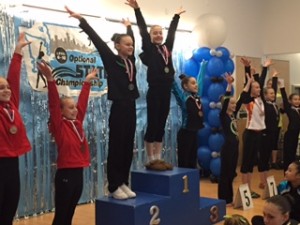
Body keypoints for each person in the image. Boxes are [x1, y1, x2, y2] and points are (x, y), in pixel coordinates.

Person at [65, 6, 139, 200]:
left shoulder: (131, 61)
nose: (131, 47)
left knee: (127, 146)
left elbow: (133, 43)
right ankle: (114, 185)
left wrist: (130, 27)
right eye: (127, 44)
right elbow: (98, 41)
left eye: (132, 44)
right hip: (119, 107)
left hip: (131, 106)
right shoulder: (112, 60)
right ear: (117, 46)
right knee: (116, 146)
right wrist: (82, 20)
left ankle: (123, 181)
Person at [126, 0, 185, 169]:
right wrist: (137, 10)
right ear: (151, 36)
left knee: (161, 122)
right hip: (155, 91)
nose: (158, 35)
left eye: (160, 33)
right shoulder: (149, 48)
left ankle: (158, 157)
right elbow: (142, 30)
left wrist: (175, 17)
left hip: (166, 91)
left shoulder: (167, 48)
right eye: (155, 33)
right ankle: (149, 158)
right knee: (152, 123)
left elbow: (172, 33)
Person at [37, 61, 98, 225]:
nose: (75, 110)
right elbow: (53, 103)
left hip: (79, 172)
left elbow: (83, 103)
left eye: (74, 107)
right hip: (66, 174)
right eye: (70, 108)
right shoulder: (59, 125)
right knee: (62, 215)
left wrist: (87, 82)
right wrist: (50, 79)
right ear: (61, 111)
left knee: (70, 213)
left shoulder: (77, 121)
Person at [0, 32, 31, 225]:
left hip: (12, 161)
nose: (6, 90)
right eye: (1, 88)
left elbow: (14, 77)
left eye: (6, 87)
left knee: (11, 204)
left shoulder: (12, 104)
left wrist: (18, 52)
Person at [239, 58, 272, 199]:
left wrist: (265, 68)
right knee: (246, 162)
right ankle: (245, 189)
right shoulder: (248, 100)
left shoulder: (261, 100)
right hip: (250, 134)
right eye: (256, 87)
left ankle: (250, 189)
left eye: (259, 87)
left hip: (259, 134)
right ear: (251, 89)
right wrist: (247, 69)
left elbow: (262, 80)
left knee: (253, 162)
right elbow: (247, 85)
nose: (259, 89)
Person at [218, 73, 252, 206]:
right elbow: (226, 100)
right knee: (225, 173)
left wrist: (248, 82)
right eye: (231, 104)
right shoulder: (223, 116)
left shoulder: (233, 114)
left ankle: (230, 199)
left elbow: (242, 97)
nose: (234, 105)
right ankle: (223, 199)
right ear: (225, 105)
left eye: (234, 104)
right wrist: (229, 85)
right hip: (227, 147)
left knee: (232, 173)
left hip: (234, 147)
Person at [171, 70, 205, 169]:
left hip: (194, 133)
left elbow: (201, 81)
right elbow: (176, 89)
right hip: (185, 133)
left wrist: (203, 65)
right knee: (184, 162)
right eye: (193, 83)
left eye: (196, 83)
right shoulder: (184, 98)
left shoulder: (197, 97)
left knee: (192, 161)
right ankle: (182, 183)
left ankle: (191, 183)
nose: (196, 85)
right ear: (186, 86)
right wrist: (172, 78)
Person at [258, 70, 280, 189]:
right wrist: (264, 71)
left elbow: (275, 90)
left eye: (273, 93)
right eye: (270, 93)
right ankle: (262, 181)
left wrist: (274, 78)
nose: (273, 95)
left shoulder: (273, 104)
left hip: (272, 133)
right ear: (265, 95)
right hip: (265, 134)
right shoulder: (264, 104)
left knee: (267, 159)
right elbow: (261, 88)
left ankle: (266, 179)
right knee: (263, 157)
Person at [280, 79, 300, 171]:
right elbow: (284, 98)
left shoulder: (299, 110)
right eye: (295, 99)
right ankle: (286, 175)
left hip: (297, 136)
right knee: (288, 156)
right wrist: (282, 86)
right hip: (290, 136)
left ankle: (294, 175)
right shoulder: (289, 109)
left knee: (294, 157)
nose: (297, 101)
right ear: (291, 101)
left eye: (299, 99)